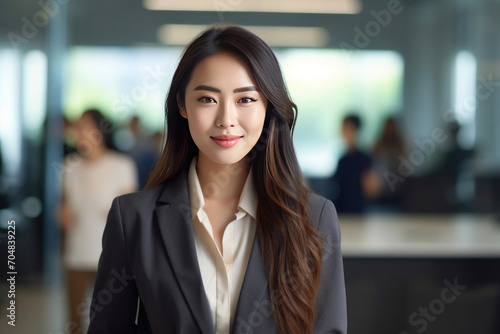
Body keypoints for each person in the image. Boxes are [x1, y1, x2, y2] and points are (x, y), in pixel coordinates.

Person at [88, 26, 347, 334]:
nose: (226, 119)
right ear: (182, 105)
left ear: (268, 107)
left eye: (246, 99)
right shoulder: (133, 218)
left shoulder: (314, 218)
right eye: (208, 99)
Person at [59, 109, 138, 334]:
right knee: (73, 318)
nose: (79, 132)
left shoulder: (121, 165)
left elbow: (129, 211)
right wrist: (62, 213)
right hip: (76, 250)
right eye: (77, 127)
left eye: (85, 126)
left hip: (110, 253)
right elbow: (64, 205)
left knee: (108, 317)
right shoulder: (69, 166)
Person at [332, 114, 379, 213]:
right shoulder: (342, 159)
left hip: (357, 211)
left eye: (346, 127)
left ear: (355, 130)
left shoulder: (364, 158)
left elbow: (370, 189)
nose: (342, 131)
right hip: (341, 209)